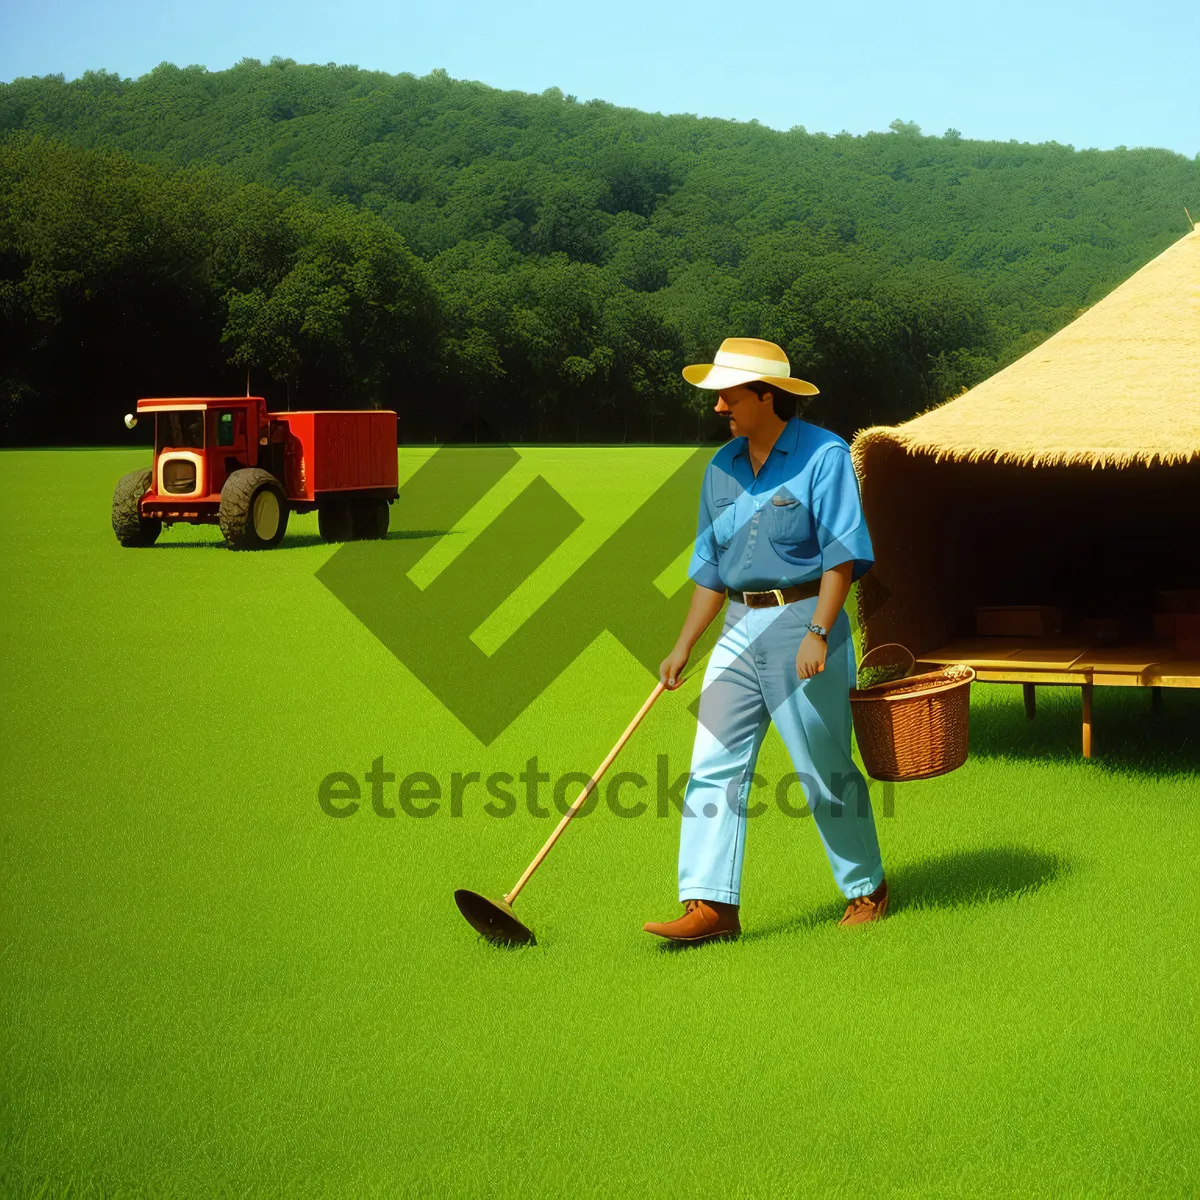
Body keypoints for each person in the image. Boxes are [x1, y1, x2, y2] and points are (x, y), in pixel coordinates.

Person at [644, 337, 888, 944]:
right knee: (711, 763)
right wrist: (682, 647)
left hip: (805, 623)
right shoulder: (721, 468)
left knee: (821, 767)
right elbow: (710, 570)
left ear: (765, 395)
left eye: (728, 394)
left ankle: (867, 889)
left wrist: (818, 633)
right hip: (737, 629)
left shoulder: (824, 456)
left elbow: (841, 556)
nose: (719, 406)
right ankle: (710, 906)